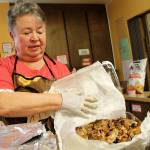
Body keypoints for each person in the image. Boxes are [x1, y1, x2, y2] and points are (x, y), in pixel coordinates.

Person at [0, 0, 97, 131]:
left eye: (40, 31)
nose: (35, 38)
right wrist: (61, 100)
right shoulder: (4, 65)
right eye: (27, 33)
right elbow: (4, 104)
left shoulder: (60, 69)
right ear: (13, 36)